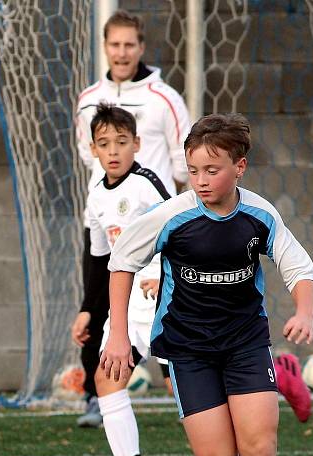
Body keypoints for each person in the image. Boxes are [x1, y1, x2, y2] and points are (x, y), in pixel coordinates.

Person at [101, 113, 313, 456]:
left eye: (212, 170)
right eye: (194, 169)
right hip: (189, 348)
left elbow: (298, 267)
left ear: (239, 167)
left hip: (245, 343)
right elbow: (122, 262)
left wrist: (304, 312)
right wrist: (118, 335)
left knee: (260, 447)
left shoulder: (259, 214)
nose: (200, 180)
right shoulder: (173, 215)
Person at [74, 10, 189, 428]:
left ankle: (190, 394)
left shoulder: (166, 99)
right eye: (114, 44)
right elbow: (88, 157)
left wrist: (174, 221)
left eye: (129, 44)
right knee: (98, 308)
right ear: (105, 47)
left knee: (171, 320)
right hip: (109, 219)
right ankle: (96, 397)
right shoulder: (88, 100)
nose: (121, 53)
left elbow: (184, 165)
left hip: (154, 226)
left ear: (141, 48)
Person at [71, 103, 171, 456]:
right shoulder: (96, 196)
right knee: (106, 375)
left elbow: (179, 228)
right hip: (125, 303)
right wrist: (88, 310)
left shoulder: (147, 184)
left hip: (161, 294)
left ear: (137, 144)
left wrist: (160, 272)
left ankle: (279, 379)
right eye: (104, 144)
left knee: (180, 386)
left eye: (122, 142)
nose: (113, 151)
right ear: (93, 150)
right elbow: (98, 259)